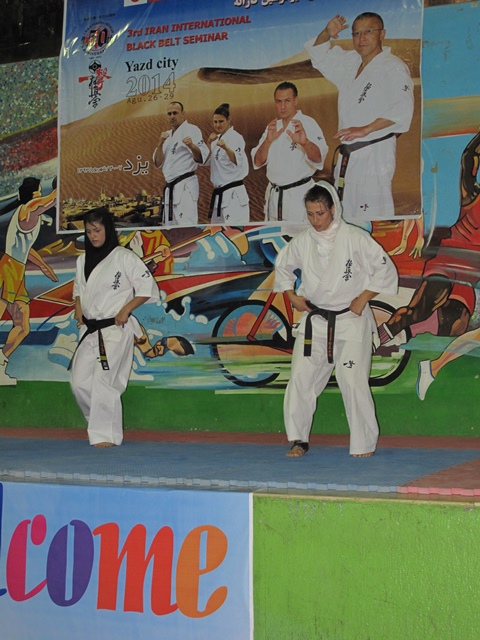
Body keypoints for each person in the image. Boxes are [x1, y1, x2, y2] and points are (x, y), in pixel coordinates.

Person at [274, 181, 398, 457]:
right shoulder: (303, 241)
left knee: (353, 380)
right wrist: (292, 296)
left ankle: (363, 443)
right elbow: (282, 268)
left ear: (333, 209)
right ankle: (298, 439)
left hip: (350, 320)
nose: (315, 220)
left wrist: (364, 297)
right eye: (310, 214)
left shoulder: (355, 238)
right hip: (315, 322)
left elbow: (385, 270)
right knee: (300, 378)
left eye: (320, 213)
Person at [305, 13, 414, 224]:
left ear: (382, 34)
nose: (361, 38)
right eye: (356, 34)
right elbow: (320, 55)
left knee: (371, 219)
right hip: (349, 155)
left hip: (374, 154)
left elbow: (403, 107)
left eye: (368, 32)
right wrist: (326, 33)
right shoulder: (351, 62)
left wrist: (366, 128)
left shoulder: (393, 66)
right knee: (345, 217)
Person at [378, 131, 480, 345]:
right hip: (447, 262)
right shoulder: (473, 196)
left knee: (455, 325)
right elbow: (469, 157)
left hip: (468, 277)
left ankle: (414, 344)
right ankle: (377, 339)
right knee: (419, 310)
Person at [70, 207, 159, 447]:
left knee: (103, 381)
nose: (93, 236)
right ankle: (99, 422)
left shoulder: (123, 257)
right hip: (89, 330)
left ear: (108, 230)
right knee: (78, 384)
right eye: (89, 231)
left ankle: (105, 434)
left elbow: (147, 288)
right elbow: (78, 290)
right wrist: (78, 307)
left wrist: (126, 309)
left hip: (114, 329)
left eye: (97, 230)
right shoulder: (82, 260)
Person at [0, 177, 57, 385]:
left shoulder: (28, 218)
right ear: (34, 194)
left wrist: (43, 265)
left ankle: (1, 361)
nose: (41, 194)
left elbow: (26, 247)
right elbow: (47, 201)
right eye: (40, 191)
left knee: (23, 326)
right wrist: (63, 185)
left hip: (18, 270)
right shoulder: (28, 209)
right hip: (9, 268)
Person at [251, 81, 328, 223]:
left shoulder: (308, 123)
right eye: (278, 101)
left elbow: (319, 158)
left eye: (287, 101)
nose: (282, 106)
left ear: (296, 100)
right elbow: (257, 161)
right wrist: (268, 141)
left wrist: (305, 143)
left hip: (299, 196)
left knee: (298, 235)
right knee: (274, 236)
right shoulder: (272, 127)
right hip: (274, 197)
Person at [153, 101, 208, 226]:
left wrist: (191, 146)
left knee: (186, 225)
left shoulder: (192, 130)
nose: (172, 116)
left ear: (183, 113)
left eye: (175, 113)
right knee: (169, 228)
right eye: (169, 114)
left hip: (185, 186)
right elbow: (157, 163)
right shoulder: (166, 136)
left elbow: (201, 158)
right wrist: (160, 143)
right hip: (170, 188)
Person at [206, 103, 250, 224]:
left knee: (235, 231)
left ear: (229, 120)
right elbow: (207, 162)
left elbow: (237, 160)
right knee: (216, 231)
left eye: (221, 121)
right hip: (219, 195)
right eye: (215, 122)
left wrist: (226, 147)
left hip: (234, 194)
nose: (217, 125)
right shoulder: (216, 140)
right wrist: (209, 143)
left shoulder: (236, 137)